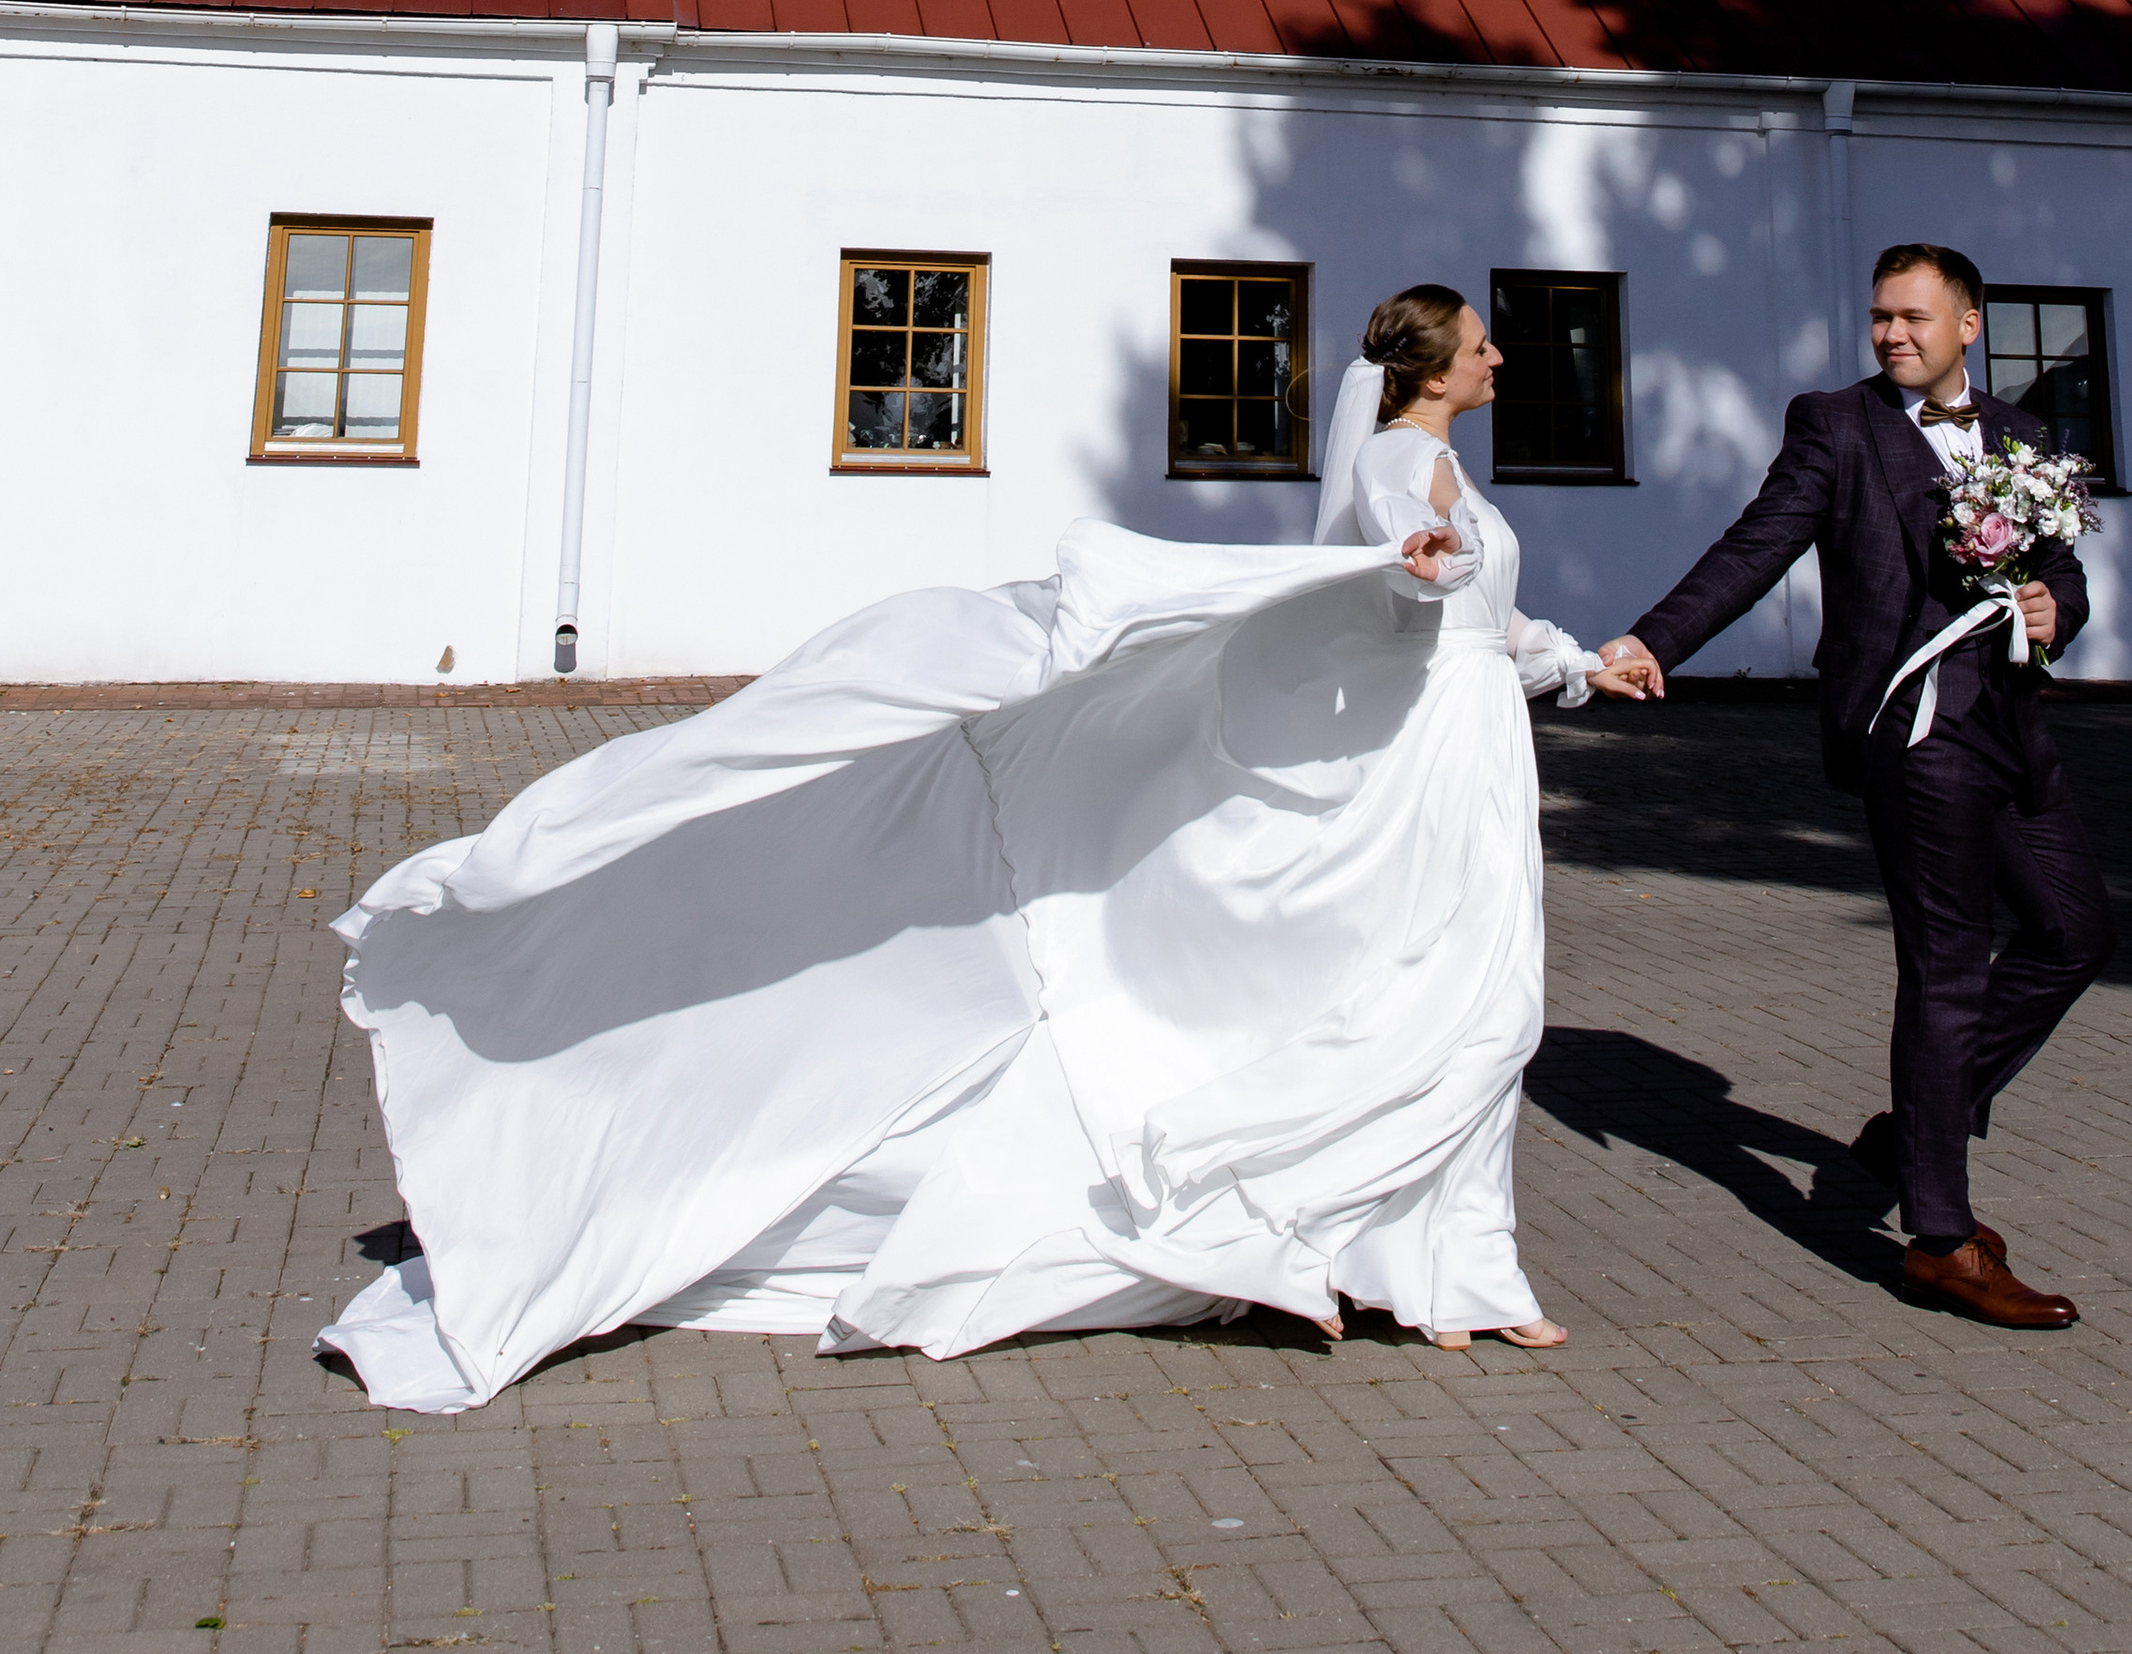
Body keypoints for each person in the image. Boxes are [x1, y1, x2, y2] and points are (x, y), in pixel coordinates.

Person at [319, 283, 1637, 1409]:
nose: (1500, 357)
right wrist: (1418, 566)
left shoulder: (1444, 472)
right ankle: (1436, 1265)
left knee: (1471, 1002)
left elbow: (1488, 623)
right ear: (1430, 366)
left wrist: (1584, 664)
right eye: (1481, 342)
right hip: (1439, 760)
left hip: (1473, 744)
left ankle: (1450, 1269)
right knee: (1477, 1001)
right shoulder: (1406, 464)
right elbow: (1416, 579)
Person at [1595, 242, 2115, 1330]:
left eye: (1914, 319)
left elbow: (2058, 566)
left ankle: (1911, 1132)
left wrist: (2057, 609)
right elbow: (1756, 546)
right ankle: (1937, 1239)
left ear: (1968, 325)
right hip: (1912, 734)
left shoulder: (2022, 437)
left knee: (2074, 934)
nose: (1891, 336)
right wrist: (1655, 641)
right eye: (1880, 318)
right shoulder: (1836, 426)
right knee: (1946, 970)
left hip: (2008, 727)